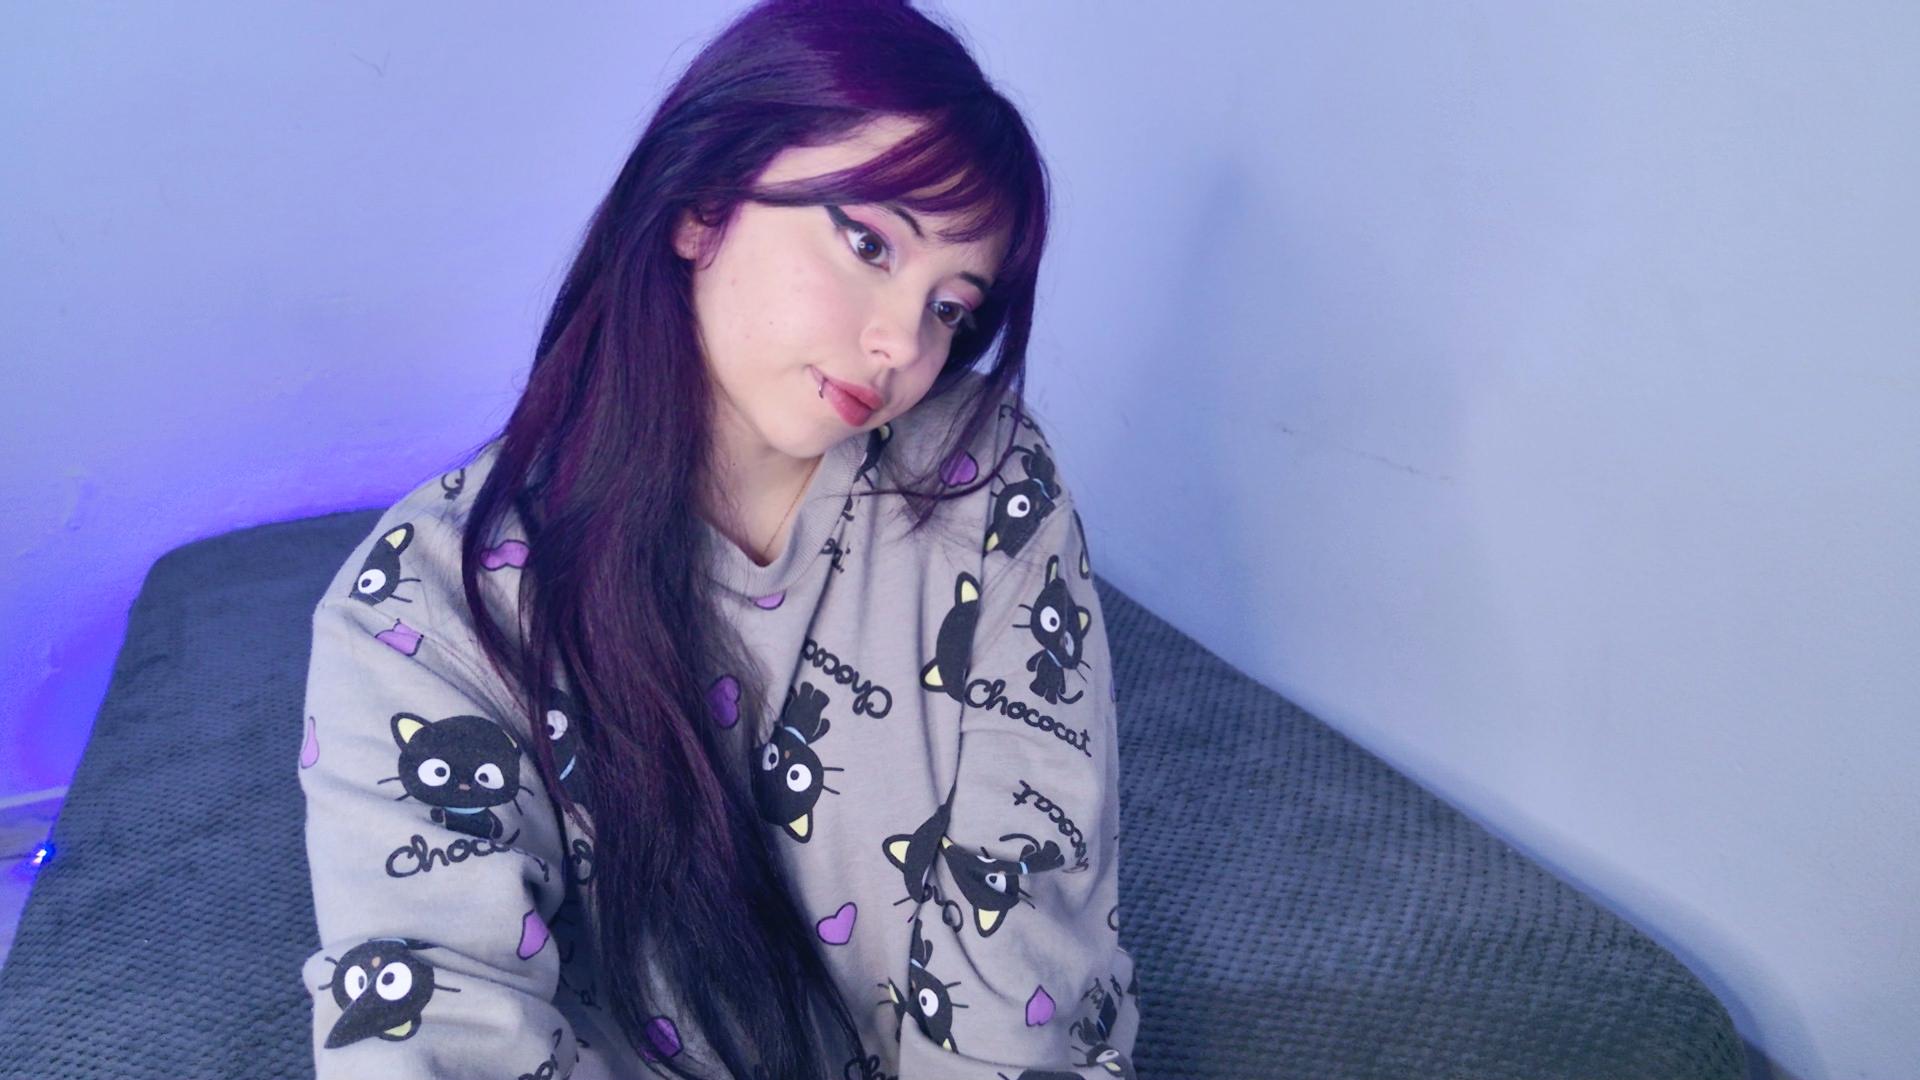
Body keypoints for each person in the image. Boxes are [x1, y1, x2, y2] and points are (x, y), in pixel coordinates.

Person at [295, 1, 1141, 1077]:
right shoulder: (418, 610)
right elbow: (435, 1018)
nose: (900, 344)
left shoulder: (980, 474)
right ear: (702, 205)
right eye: (868, 242)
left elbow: (1025, 904)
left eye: (950, 308)